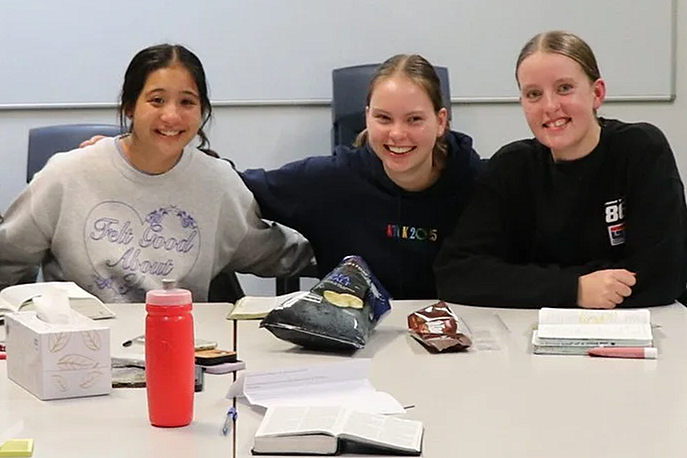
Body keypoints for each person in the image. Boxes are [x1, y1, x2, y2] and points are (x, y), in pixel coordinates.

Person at [0, 44, 312, 302]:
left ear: (202, 112)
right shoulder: (66, 174)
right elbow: (9, 255)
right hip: (80, 347)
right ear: (130, 107)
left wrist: (346, 257)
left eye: (187, 102)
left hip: (181, 343)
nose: (172, 115)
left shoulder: (218, 182)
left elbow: (268, 250)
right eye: (157, 100)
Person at [434, 30, 687, 309]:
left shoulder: (641, 150)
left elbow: (665, 276)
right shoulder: (511, 167)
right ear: (522, 103)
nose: (550, 106)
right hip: (531, 337)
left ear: (597, 93)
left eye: (565, 88)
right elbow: (456, 274)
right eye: (534, 94)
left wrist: (522, 281)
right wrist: (575, 288)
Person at [241, 54, 483, 299]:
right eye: (383, 118)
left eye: (414, 119)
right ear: (367, 117)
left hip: (461, 331)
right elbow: (235, 187)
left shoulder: (482, 185)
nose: (397, 134)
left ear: (441, 121)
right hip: (356, 333)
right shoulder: (331, 181)